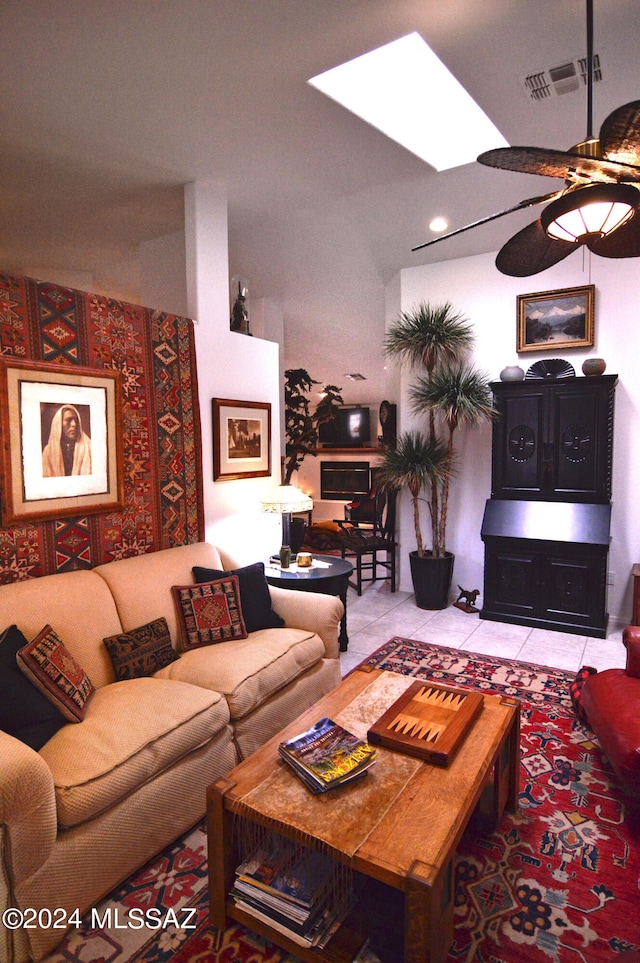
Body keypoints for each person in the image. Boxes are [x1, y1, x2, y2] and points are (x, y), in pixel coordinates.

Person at [42, 404, 92, 477]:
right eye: (68, 420)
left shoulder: (88, 447)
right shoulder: (48, 451)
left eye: (76, 420)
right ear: (59, 424)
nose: (74, 424)